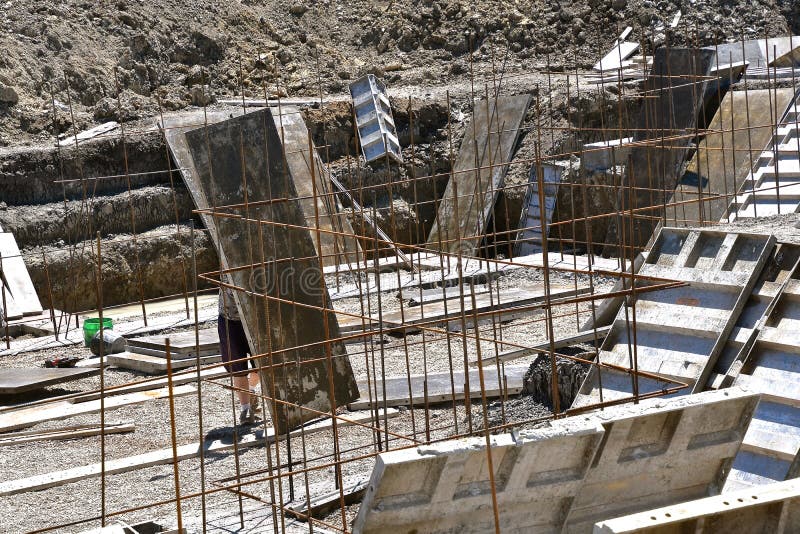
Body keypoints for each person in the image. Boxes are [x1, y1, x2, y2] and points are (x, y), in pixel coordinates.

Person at [218, 284, 261, 425]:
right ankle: (245, 409)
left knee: (261, 365)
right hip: (229, 318)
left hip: (255, 315)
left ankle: (250, 389)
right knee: (237, 367)